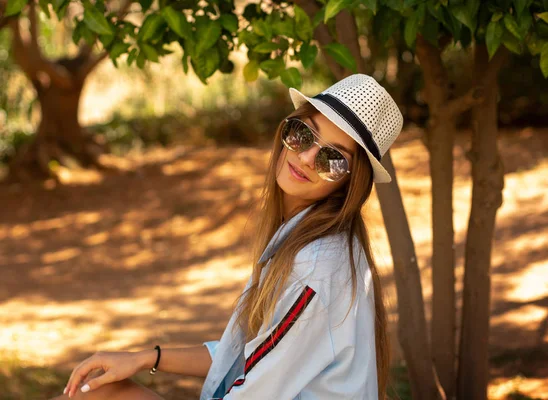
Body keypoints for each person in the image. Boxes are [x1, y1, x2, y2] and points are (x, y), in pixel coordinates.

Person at [53, 73, 404, 400]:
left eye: (333, 159)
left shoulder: (316, 269)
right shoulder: (307, 240)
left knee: (96, 394)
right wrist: (146, 357)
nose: (308, 157)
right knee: (98, 389)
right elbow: (241, 356)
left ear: (350, 183)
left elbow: (253, 388)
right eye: (303, 134)